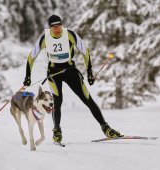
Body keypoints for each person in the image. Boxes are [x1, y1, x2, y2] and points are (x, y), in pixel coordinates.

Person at [23, 14, 122, 143]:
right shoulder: (45, 38)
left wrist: (90, 72)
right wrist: (27, 76)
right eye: (54, 26)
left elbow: (85, 51)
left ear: (62, 25)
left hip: (70, 71)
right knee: (57, 102)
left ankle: (106, 128)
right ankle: (57, 131)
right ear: (50, 27)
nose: (57, 28)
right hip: (54, 73)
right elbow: (31, 57)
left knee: (88, 100)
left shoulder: (70, 35)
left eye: (59, 25)